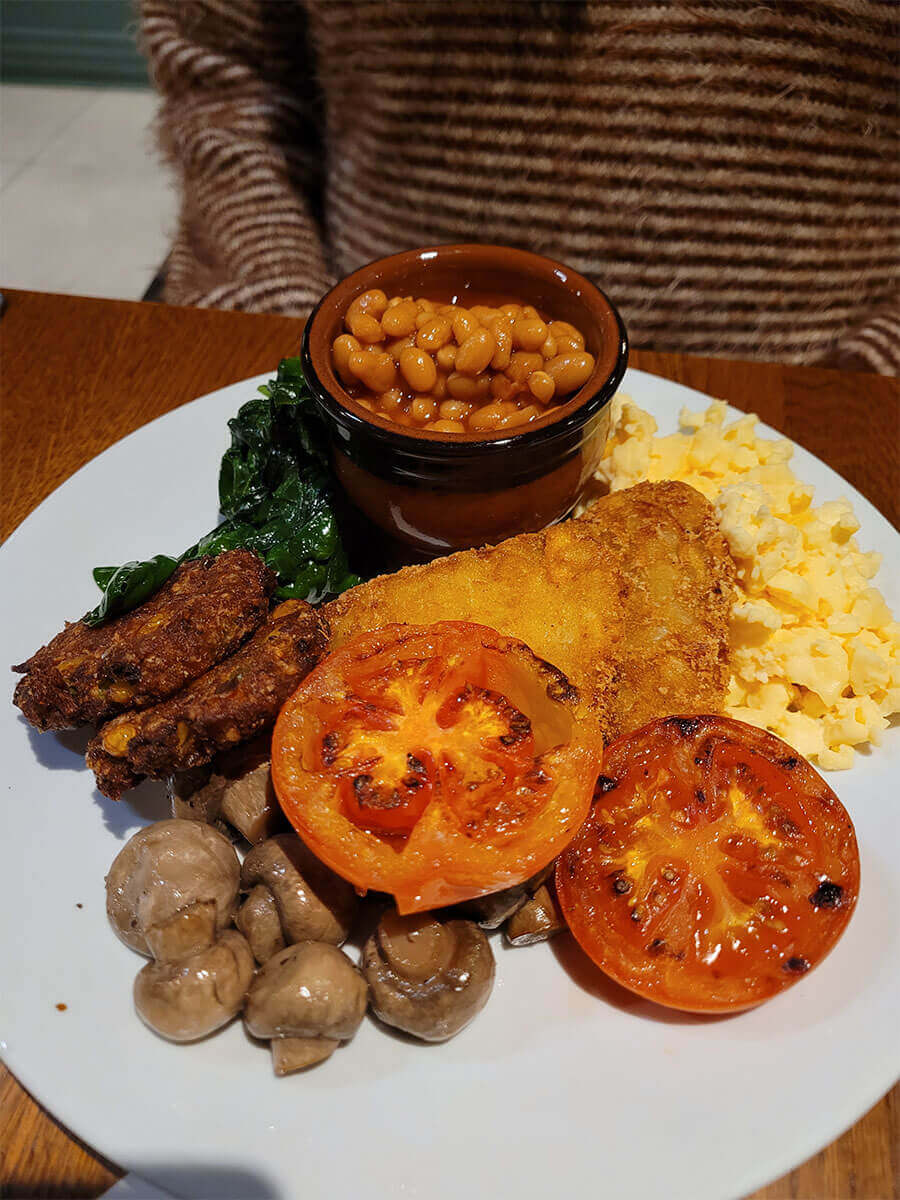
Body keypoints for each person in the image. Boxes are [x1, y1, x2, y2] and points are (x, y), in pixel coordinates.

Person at [140, 0, 898, 373]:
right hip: (343, 363)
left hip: (826, 383)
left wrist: (862, 390)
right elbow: (223, 67)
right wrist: (294, 358)